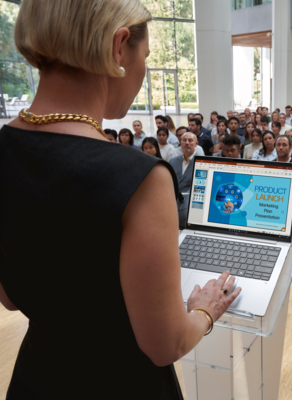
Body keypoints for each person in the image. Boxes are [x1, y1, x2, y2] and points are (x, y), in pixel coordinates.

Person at [0, 1, 240, 398]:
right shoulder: (139, 178)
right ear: (118, 47)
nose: (143, 70)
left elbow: (9, 298)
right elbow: (165, 344)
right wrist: (204, 310)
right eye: (145, 56)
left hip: (38, 378)